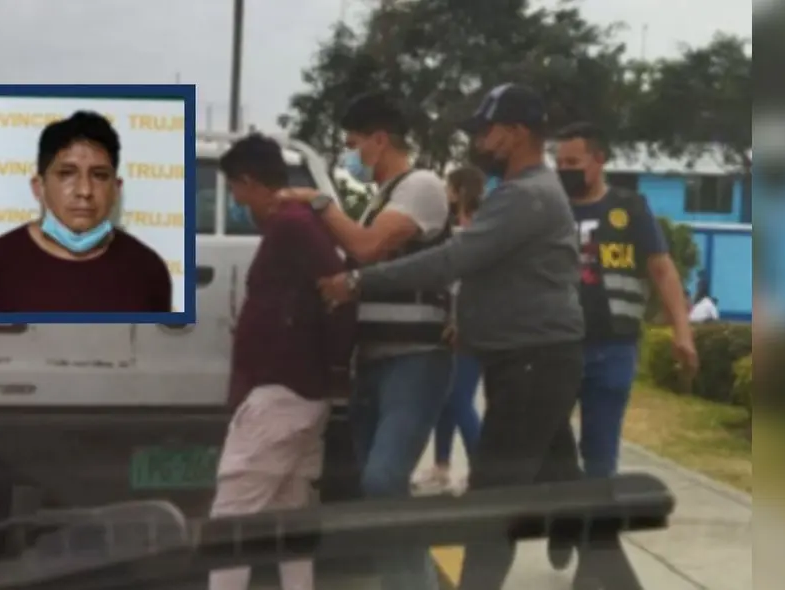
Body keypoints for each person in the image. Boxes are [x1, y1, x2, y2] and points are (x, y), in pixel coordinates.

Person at [317, 83, 587, 590]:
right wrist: (469, 319)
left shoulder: (527, 195)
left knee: (493, 495)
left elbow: (453, 260)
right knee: (555, 481)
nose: (481, 141)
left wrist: (358, 281)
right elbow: (492, 272)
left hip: (533, 360)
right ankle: (592, 549)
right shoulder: (524, 191)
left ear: (518, 132)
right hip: (528, 359)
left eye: (487, 131)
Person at [277, 92, 453, 590]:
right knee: (375, 490)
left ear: (380, 139)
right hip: (374, 361)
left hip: (415, 360)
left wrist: (318, 204)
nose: (351, 154)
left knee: (384, 480)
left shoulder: (420, 186)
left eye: (354, 144)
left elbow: (368, 246)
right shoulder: (383, 197)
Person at [207, 134, 355, 590]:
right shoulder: (293, 226)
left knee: (231, 521)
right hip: (299, 392)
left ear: (250, 183)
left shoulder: (292, 226)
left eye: (234, 190)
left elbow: (338, 290)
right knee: (288, 522)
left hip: (280, 394)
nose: (236, 201)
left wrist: (328, 364)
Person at [552, 121, 700, 569]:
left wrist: (682, 330)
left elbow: (661, 270)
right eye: (558, 163)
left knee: (600, 455)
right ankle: (562, 522)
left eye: (573, 163)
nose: (564, 171)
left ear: (599, 161)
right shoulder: (549, 208)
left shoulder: (630, 208)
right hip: (554, 349)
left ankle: (592, 558)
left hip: (612, 350)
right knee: (551, 448)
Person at [0, 111, 172, 313]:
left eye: (99, 175)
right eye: (67, 174)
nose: (84, 191)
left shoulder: (148, 271)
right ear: (39, 187)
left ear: (116, 189)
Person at [414, 166, 485, 494]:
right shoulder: (455, 226)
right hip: (452, 321)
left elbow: (470, 281)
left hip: (468, 327)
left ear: (459, 190)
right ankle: (441, 467)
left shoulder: (479, 226)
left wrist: (460, 321)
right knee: (447, 400)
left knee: (459, 399)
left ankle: (481, 471)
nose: (444, 192)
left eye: (448, 187)